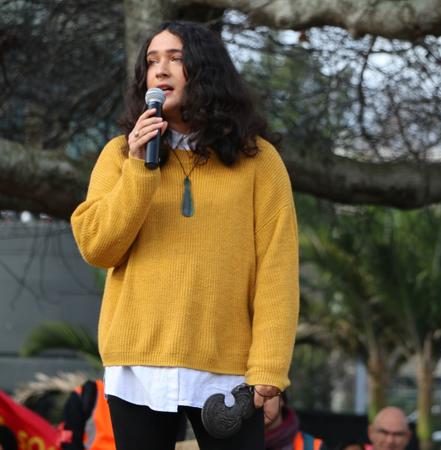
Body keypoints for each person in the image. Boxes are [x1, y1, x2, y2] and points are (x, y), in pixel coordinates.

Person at [70, 20, 299, 450]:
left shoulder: (258, 160)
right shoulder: (120, 155)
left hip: (226, 369)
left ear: (206, 71)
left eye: (176, 59)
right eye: (152, 61)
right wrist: (139, 168)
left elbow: (278, 269)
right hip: (138, 367)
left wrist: (269, 367)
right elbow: (98, 247)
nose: (160, 70)